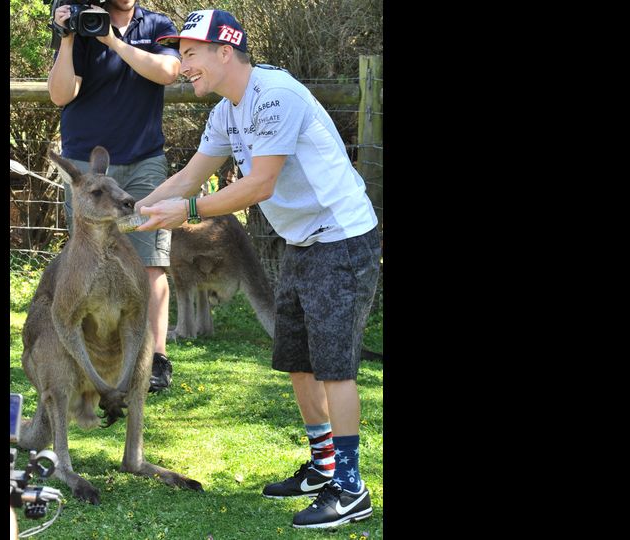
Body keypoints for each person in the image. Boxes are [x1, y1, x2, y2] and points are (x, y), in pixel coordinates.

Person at [135, 9, 381, 529]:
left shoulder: (275, 96)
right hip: (302, 243)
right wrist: (132, 211)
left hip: (343, 240)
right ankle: (323, 466)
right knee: (298, 360)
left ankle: (351, 487)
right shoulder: (227, 111)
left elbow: (260, 184)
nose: (184, 66)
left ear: (225, 51)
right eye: (181, 56)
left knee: (334, 367)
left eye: (191, 54)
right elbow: (188, 175)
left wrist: (193, 210)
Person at [47, 0, 180, 393]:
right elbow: (60, 94)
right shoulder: (82, 26)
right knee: (87, 259)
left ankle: (155, 360)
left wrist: (113, 40)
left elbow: (169, 72)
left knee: (150, 260)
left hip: (143, 164)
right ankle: (94, 355)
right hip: (88, 171)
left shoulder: (157, 24)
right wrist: (68, 38)